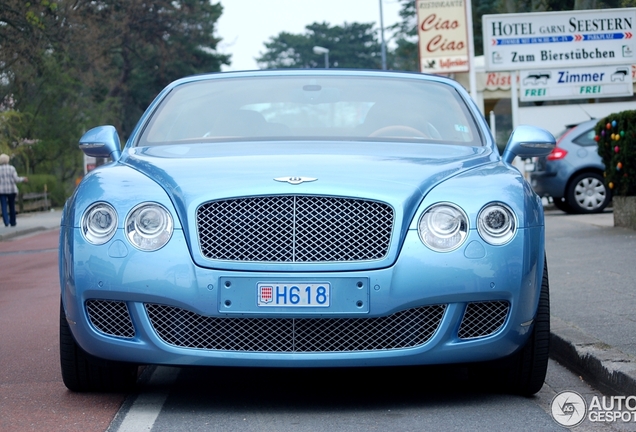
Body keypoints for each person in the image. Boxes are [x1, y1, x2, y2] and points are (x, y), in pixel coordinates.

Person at [0, 153, 28, 227]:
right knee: (12, 206)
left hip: (2, 191)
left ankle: (6, 221)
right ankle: (13, 222)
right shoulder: (11, 168)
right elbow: (16, 179)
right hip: (12, 190)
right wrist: (23, 179)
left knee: (3, 206)